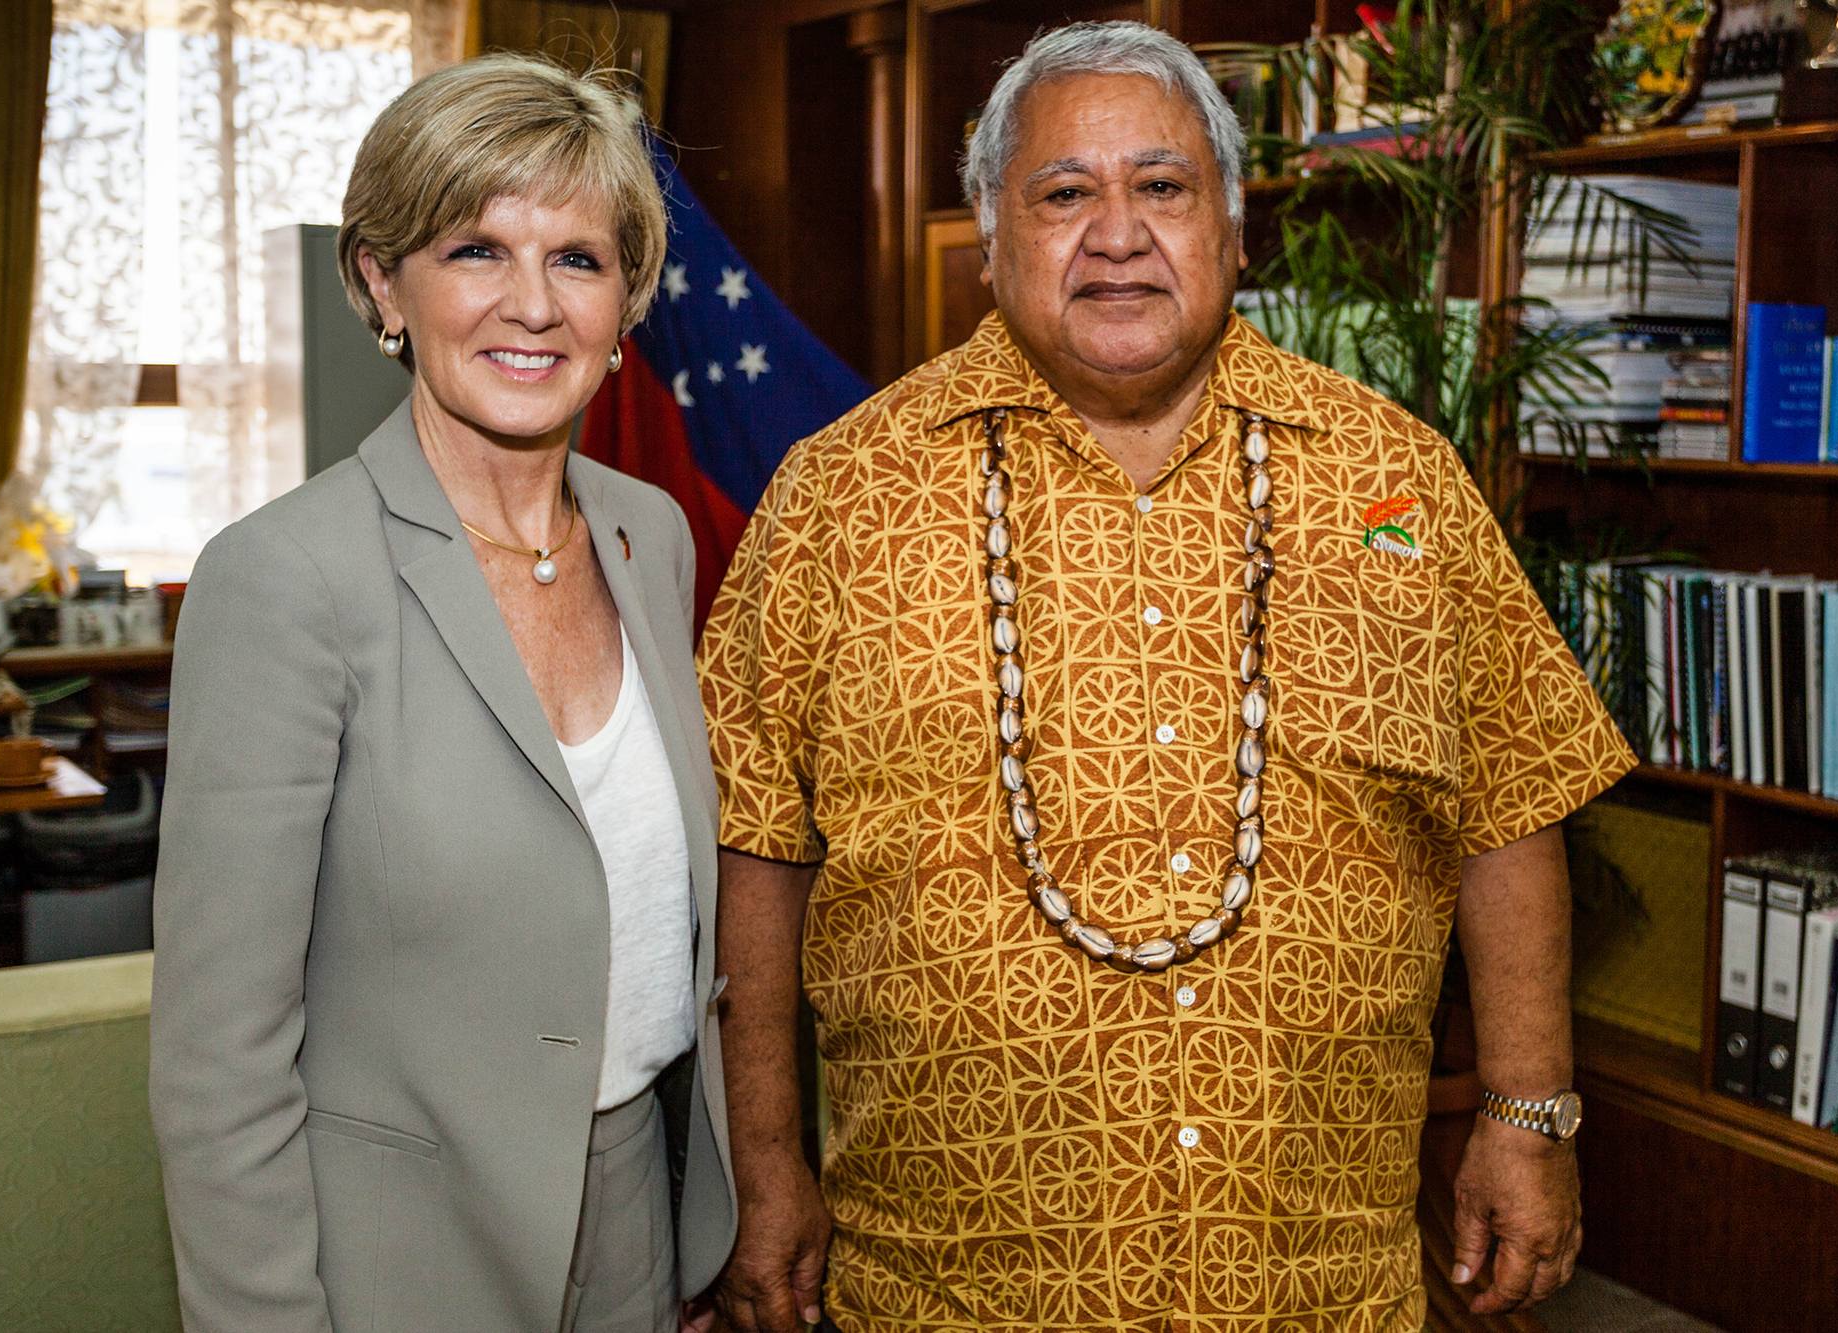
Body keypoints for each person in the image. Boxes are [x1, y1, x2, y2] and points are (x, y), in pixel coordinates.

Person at [697, 21, 1634, 1333]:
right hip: (950, 1285)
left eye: (1164, 185)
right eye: (1066, 192)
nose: (1119, 232)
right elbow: (756, 845)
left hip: (1315, 1278)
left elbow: (1513, 798)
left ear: (1235, 229)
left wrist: (1529, 1116)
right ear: (991, 235)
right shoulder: (839, 497)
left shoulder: (1397, 480)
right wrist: (764, 1162)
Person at [150, 55, 733, 1333]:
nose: (532, 306)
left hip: (638, 1214)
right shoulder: (282, 578)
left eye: (578, 260)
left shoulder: (651, 537)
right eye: (476, 249)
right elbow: (218, 1060)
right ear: (381, 282)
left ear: (626, 299)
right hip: (395, 1264)